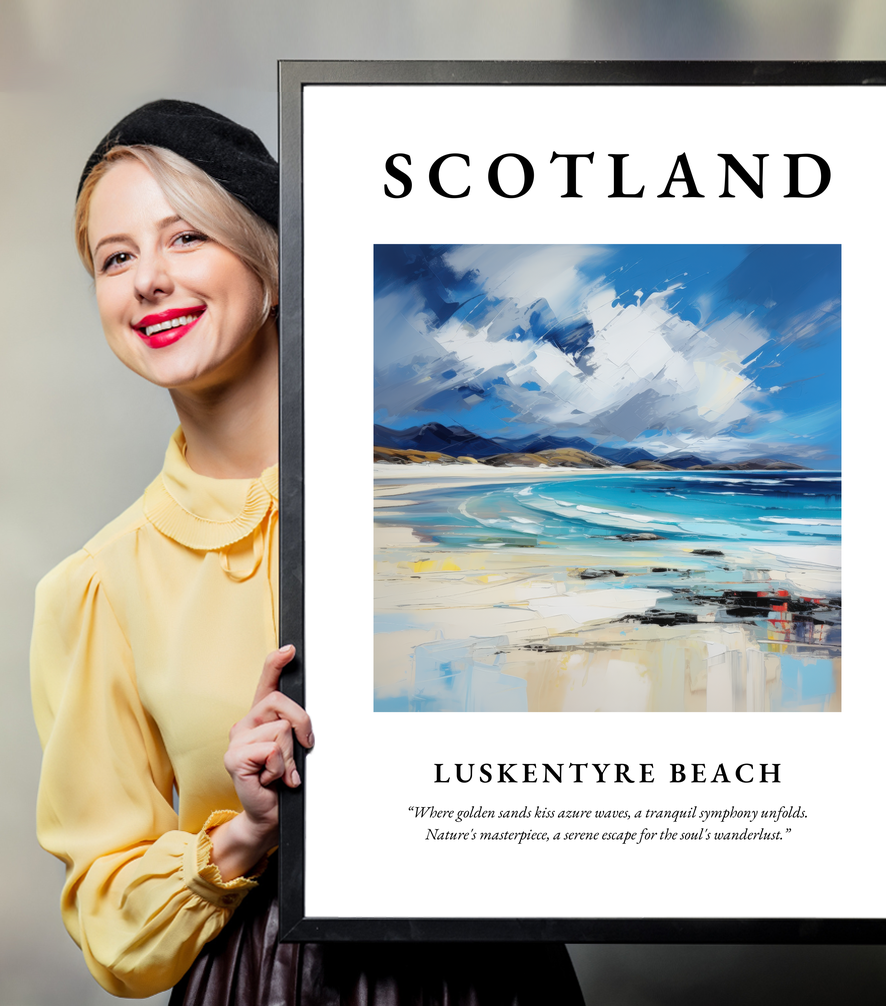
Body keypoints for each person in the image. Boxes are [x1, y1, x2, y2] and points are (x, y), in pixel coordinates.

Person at [30, 100, 585, 1004]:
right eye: (116, 257)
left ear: (273, 264)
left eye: (186, 239)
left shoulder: (451, 510)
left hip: (493, 973)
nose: (148, 281)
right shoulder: (97, 586)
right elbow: (110, 924)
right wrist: (244, 832)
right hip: (262, 981)